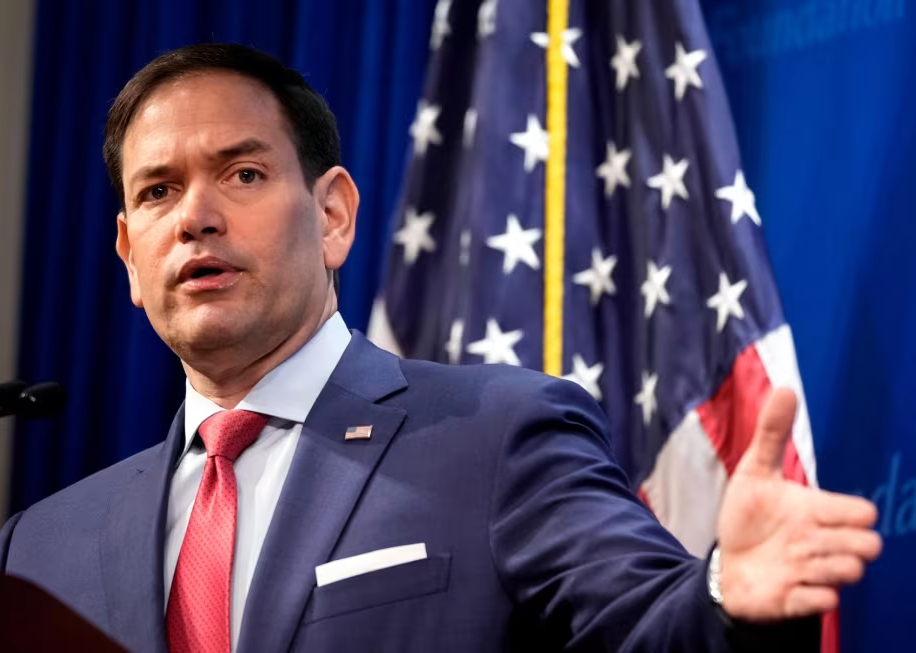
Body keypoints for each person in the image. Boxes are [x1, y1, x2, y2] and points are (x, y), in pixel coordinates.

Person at [0, 44, 881, 653]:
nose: (195, 214)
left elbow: (649, 628)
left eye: (243, 173)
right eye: (158, 191)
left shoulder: (497, 435)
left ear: (334, 213)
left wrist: (729, 594)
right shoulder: (39, 547)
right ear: (127, 254)